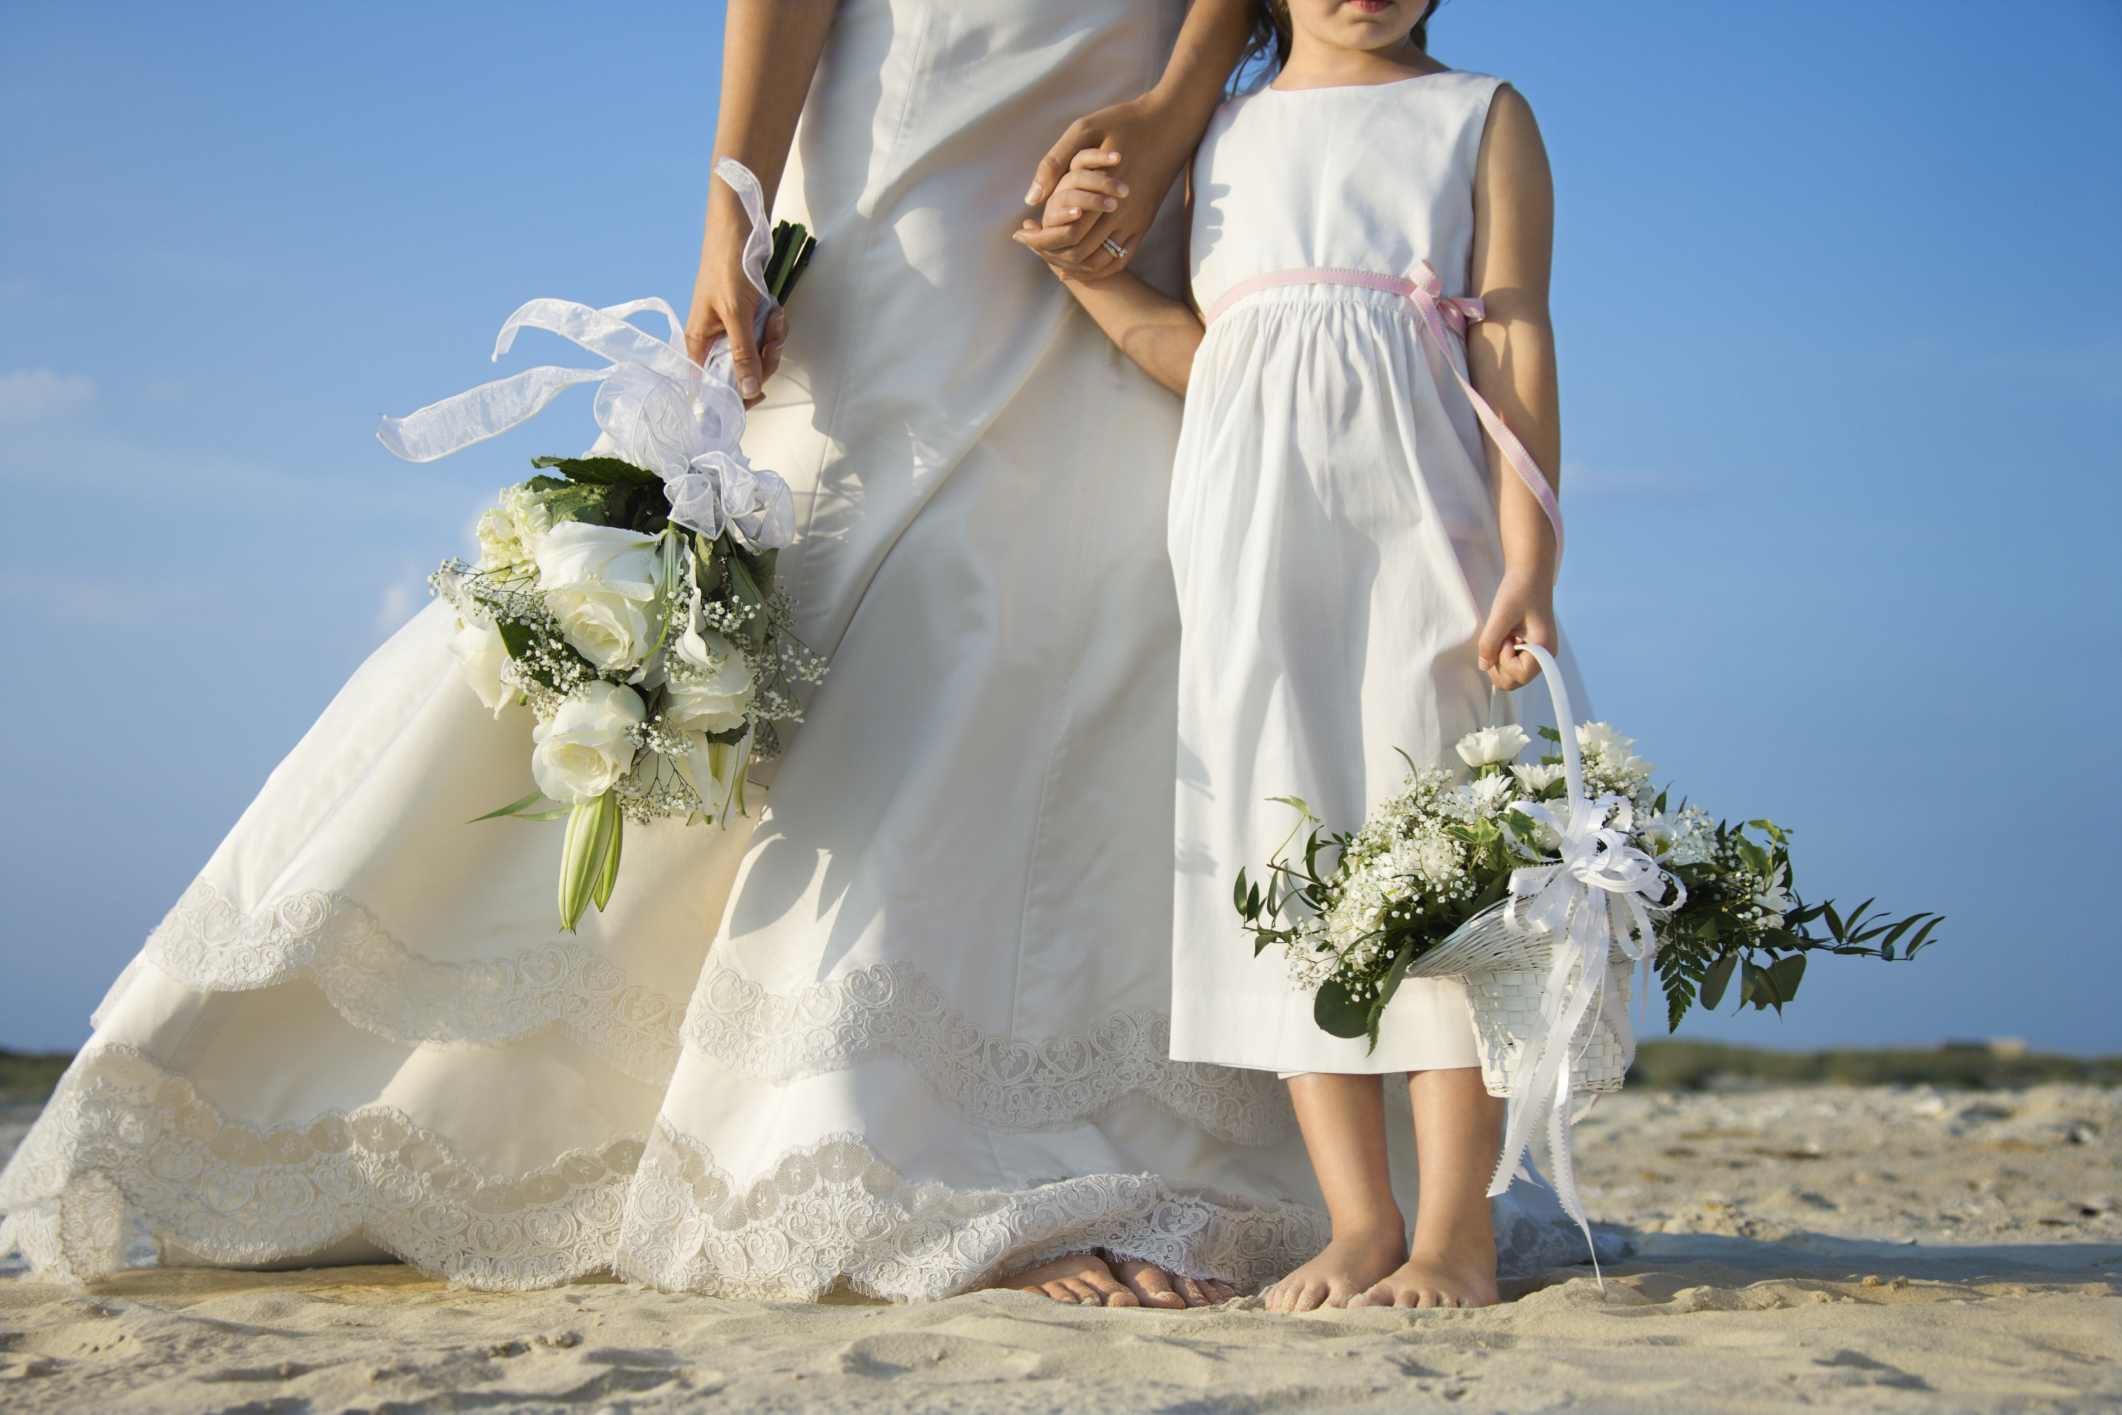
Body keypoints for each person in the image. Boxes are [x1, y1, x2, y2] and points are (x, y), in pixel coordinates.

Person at [0, 0, 1339, 1307]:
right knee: (850, 564)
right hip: (907, 124)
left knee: (1100, 585)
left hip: (1128, 121)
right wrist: (734, 201)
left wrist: (1172, 108)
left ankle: (1057, 1146)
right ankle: (823, 1131)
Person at [1016, 0, 1591, 1309]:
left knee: (1441, 841)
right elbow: (1208, 360)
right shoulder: (1216, 135)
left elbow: (1512, 333)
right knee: (1279, 849)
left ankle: (1456, 1230)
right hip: (1248, 533)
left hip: (1426, 523)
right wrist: (1090, 278)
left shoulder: (1479, 115)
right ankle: (1358, 1222)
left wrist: (1530, 565)